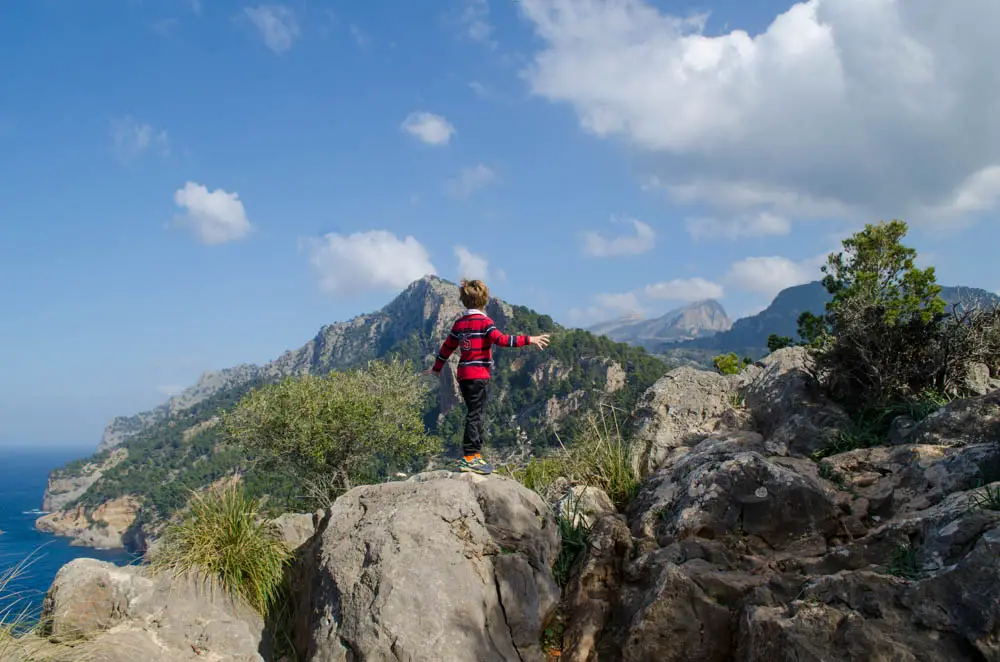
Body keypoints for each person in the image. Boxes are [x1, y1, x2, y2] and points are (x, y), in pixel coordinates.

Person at [425, 279, 550, 475]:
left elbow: (447, 347)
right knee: (477, 414)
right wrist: (529, 339)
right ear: (484, 300)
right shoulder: (485, 322)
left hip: (463, 375)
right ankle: (470, 456)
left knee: (475, 412)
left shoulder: (459, 323)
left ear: (464, 300)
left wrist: (437, 367)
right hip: (478, 375)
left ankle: (474, 455)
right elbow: (501, 340)